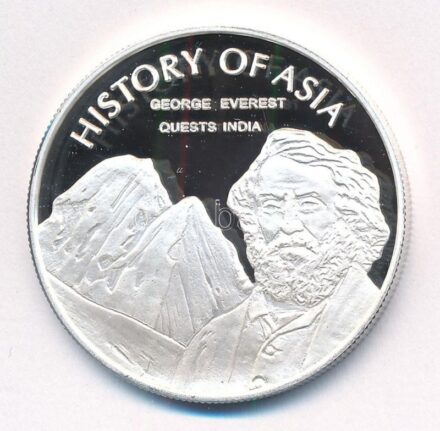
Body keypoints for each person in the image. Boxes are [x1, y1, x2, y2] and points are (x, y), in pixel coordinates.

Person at [174, 128, 390, 394]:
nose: (288, 225)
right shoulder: (213, 340)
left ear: (350, 218)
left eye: (309, 205)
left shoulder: (384, 327)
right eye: (271, 206)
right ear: (252, 219)